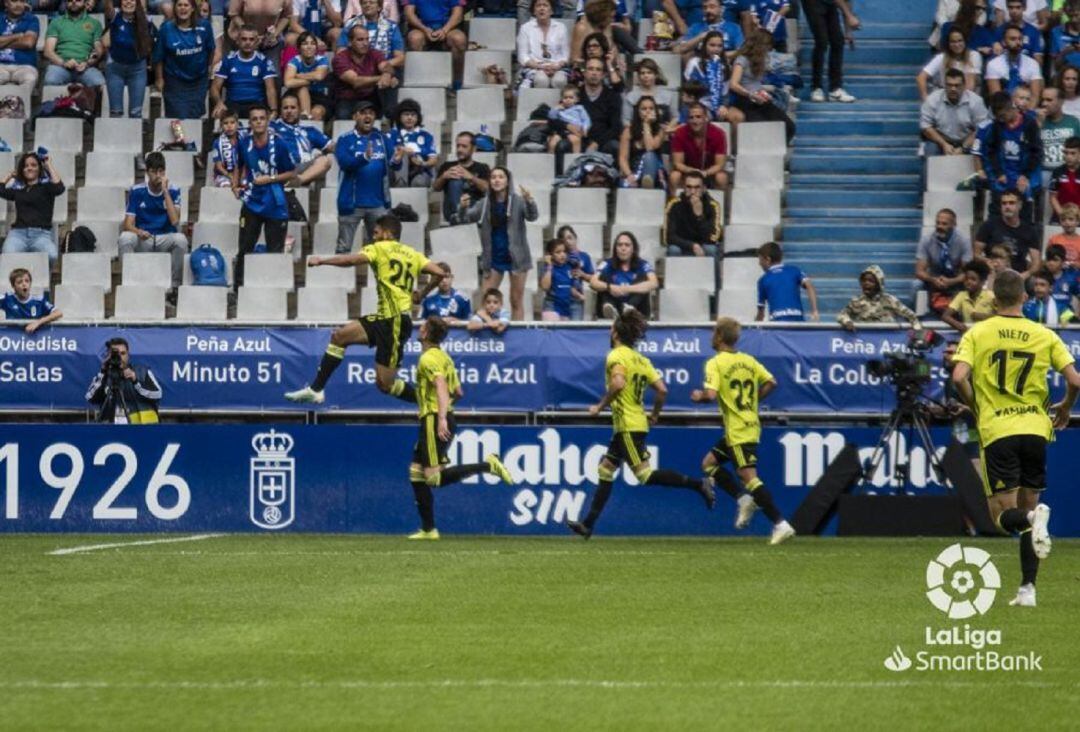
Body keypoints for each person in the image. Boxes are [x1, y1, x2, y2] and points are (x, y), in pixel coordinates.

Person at [951, 269, 1080, 608]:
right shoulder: (1044, 334)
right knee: (1029, 509)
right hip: (1036, 430)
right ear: (1025, 297)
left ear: (993, 300)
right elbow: (1076, 380)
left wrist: (975, 404)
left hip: (999, 431)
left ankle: (1034, 523)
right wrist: (1065, 407)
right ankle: (1027, 590)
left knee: (1004, 515)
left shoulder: (980, 332)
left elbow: (959, 375)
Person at [567, 309, 716, 539]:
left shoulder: (616, 356)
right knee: (605, 470)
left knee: (644, 475)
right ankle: (588, 525)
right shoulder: (641, 359)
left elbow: (617, 384)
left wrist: (599, 406)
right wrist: (654, 415)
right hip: (633, 424)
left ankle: (699, 485)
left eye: (610, 327)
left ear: (616, 332)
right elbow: (662, 390)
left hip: (627, 425)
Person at [286, 214, 448, 402]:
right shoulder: (413, 253)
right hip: (384, 319)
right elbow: (440, 272)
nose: (374, 236)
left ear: (387, 233)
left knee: (385, 385)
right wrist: (421, 293)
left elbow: (351, 261)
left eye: (376, 232)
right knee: (339, 336)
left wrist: (322, 261)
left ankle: (431, 401)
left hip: (395, 322)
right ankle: (316, 390)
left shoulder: (379, 248)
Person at [406, 316, 514, 540]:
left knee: (433, 478)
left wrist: (441, 416)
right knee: (416, 472)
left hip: (434, 419)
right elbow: (459, 391)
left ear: (426, 334)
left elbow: (441, 385)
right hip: (440, 416)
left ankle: (488, 465)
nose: (419, 328)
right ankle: (429, 529)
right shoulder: (444, 357)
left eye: (423, 326)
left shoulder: (428, 359)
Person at [690, 317, 795, 544]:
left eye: (713, 332)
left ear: (719, 336)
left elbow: (710, 394)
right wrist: (752, 401)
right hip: (747, 423)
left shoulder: (715, 363)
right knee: (708, 464)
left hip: (739, 429)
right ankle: (743, 499)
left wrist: (699, 396)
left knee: (748, 477)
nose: (711, 336)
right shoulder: (748, 360)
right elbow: (772, 382)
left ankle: (779, 523)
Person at [452, 167, 538, 321]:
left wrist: (530, 201)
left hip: (517, 258)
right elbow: (465, 219)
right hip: (493, 259)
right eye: (493, 177)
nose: (497, 180)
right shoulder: (484, 203)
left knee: (516, 300)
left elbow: (532, 217)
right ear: (490, 181)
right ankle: (487, 338)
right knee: (486, 300)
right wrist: (462, 208)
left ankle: (517, 338)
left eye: (501, 177)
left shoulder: (518, 201)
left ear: (507, 181)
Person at [233, 105, 298, 287]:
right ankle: (238, 292)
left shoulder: (279, 144)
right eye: (255, 119)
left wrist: (270, 179)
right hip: (252, 202)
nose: (259, 122)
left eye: (262, 118)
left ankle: (272, 292)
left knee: (274, 254)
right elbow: (239, 164)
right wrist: (235, 185)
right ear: (250, 123)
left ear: (267, 120)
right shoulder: (244, 143)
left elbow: (291, 173)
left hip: (275, 204)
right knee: (244, 250)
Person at [119, 152, 188, 293]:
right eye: (153, 172)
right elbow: (127, 224)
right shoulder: (137, 191)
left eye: (161, 171)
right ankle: (129, 282)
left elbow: (175, 221)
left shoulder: (174, 190)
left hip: (165, 237)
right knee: (125, 238)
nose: (158, 175)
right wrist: (139, 232)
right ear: (147, 172)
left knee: (181, 240)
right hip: (145, 238)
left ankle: (175, 287)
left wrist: (165, 192)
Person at [335, 100, 392, 252]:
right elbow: (344, 163)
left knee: (381, 250)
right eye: (363, 113)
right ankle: (342, 276)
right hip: (351, 204)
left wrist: (399, 159)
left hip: (378, 204)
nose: (368, 116)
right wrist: (364, 158)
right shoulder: (345, 139)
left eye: (371, 113)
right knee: (343, 248)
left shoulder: (382, 138)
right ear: (355, 116)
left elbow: (392, 163)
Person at [981, 91, 1043, 221]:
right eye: (998, 117)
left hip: (1023, 173)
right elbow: (991, 152)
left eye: (1003, 115)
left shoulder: (1029, 124)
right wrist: (998, 173)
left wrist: (1025, 175)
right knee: (997, 208)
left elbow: (1037, 152)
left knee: (1024, 202)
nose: (1001, 119)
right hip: (1004, 174)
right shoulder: (997, 126)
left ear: (1011, 107)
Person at [728, 29, 795, 142]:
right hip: (746, 100)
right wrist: (751, 95)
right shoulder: (742, 60)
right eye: (767, 46)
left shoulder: (761, 61)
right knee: (760, 126)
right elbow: (733, 84)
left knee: (788, 126)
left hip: (760, 98)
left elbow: (757, 83)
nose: (769, 50)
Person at [154, 0, 216, 118]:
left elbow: (211, 49)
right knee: (178, 117)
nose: (183, 8)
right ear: (175, 8)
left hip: (198, 81)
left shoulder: (205, 26)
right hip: (175, 81)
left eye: (186, 5)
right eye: (180, 5)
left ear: (192, 8)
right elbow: (159, 57)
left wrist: (208, 68)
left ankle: (194, 138)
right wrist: (159, 78)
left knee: (195, 116)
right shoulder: (166, 29)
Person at [0, 152, 65, 264]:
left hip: (41, 235)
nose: (29, 168)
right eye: (26, 166)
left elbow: (59, 188)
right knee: (7, 255)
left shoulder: (46, 187)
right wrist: (9, 175)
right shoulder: (18, 190)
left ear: (39, 168)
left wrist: (48, 165)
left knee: (52, 256)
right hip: (18, 234)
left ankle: (40, 279)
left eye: (33, 165)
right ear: (22, 170)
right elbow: (1, 190)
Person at [86, 337, 163, 424]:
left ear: (128, 355)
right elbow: (90, 397)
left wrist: (135, 382)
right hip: (114, 432)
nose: (119, 357)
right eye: (115, 354)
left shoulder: (142, 371)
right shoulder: (104, 375)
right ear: (108, 355)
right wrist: (103, 372)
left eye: (123, 353)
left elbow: (158, 394)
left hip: (143, 429)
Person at [920, 68, 989, 162]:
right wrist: (943, 144)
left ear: (964, 86)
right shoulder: (932, 100)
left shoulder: (976, 101)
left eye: (957, 85)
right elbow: (925, 127)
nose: (953, 89)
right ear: (944, 85)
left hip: (967, 141)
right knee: (930, 149)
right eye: (949, 85)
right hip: (941, 140)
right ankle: (929, 177)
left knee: (981, 146)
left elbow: (982, 128)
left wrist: (963, 148)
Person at [212, 25, 279, 119]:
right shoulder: (228, 60)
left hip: (257, 104)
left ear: (256, 42)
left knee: (264, 116)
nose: (248, 42)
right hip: (233, 104)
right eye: (244, 39)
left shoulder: (264, 61)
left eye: (251, 39)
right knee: (218, 113)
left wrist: (274, 111)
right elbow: (215, 87)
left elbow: (270, 89)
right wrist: (219, 103)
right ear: (238, 41)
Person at [915, 207, 973, 314]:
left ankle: (966, 316)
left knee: (971, 283)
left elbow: (968, 272)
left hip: (956, 280)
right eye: (937, 223)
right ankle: (913, 320)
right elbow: (919, 271)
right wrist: (933, 280)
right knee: (916, 285)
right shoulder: (926, 240)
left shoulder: (964, 241)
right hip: (933, 279)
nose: (939, 226)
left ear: (953, 224)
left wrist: (952, 281)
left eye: (944, 224)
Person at [974, 188, 1042, 279]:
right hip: (992, 272)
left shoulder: (1030, 230)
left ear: (1020, 205)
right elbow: (976, 255)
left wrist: (1024, 275)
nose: (1007, 206)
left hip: (1018, 275)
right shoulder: (989, 225)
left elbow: (1036, 264)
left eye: (1011, 203)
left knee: (1034, 283)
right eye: (1004, 203)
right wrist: (989, 262)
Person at [332, 24, 396, 120]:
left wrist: (387, 74)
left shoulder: (374, 53)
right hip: (347, 99)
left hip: (370, 97)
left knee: (390, 85)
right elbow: (356, 82)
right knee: (343, 114)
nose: (365, 43)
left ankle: (391, 120)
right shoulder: (340, 58)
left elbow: (386, 66)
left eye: (367, 39)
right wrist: (381, 77)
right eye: (360, 40)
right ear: (350, 42)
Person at [590, 230, 659, 318]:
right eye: (620, 245)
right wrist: (610, 287)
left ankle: (629, 307)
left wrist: (627, 289)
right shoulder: (606, 263)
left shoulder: (643, 264)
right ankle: (609, 308)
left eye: (627, 245)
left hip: (636, 310)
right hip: (615, 306)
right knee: (602, 278)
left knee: (644, 279)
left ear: (633, 249)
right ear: (615, 249)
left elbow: (654, 283)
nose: (623, 248)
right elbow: (593, 282)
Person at [102, 0, 153, 118]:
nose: (129, 2)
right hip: (115, 68)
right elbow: (108, 6)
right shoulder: (115, 15)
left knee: (136, 113)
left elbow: (150, 44)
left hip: (138, 70)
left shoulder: (146, 20)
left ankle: (134, 136)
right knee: (116, 113)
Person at [803, 0, 859, 103]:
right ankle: (816, 88)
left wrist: (848, 32)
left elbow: (847, 3)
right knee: (821, 41)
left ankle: (835, 89)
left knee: (838, 41)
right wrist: (850, 17)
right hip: (812, 3)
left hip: (830, 4)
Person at [273, 93, 334, 187]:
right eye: (285, 108)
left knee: (325, 160)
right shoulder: (272, 127)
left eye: (293, 107)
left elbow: (332, 147)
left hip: (303, 168)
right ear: (280, 111)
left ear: (299, 110)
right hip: (281, 167)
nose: (289, 111)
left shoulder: (310, 130)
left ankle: (298, 181)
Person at [402, 0, 467, 86]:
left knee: (459, 39)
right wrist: (425, 29)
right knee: (415, 39)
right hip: (421, 28)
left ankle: (456, 82)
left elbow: (458, 14)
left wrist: (444, 30)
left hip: (447, 28)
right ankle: (418, 81)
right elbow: (409, 14)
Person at [42, 0, 106, 88]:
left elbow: (99, 51)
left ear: (85, 2)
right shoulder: (56, 22)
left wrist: (87, 63)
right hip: (61, 67)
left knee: (99, 83)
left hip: (86, 68)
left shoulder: (95, 23)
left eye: (78, 0)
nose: (74, 1)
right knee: (51, 80)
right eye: (70, 0)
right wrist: (64, 63)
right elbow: (48, 51)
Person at [837, 265, 920, 331]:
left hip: (887, 339)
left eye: (871, 281)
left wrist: (917, 329)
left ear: (879, 284)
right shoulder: (856, 301)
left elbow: (911, 315)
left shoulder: (889, 300)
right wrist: (847, 322)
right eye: (864, 280)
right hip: (863, 342)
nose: (866, 283)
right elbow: (842, 315)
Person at [433, 131, 490, 224]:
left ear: (473, 149)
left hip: (472, 208)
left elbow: (487, 189)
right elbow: (436, 188)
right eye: (458, 146)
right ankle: (459, 215)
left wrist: (471, 177)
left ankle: (460, 216)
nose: (460, 149)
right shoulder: (447, 166)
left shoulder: (482, 167)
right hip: (451, 210)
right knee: (455, 181)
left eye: (464, 146)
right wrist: (444, 177)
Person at [669, 102, 729, 190]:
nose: (695, 121)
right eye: (691, 117)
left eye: (698, 117)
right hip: (687, 173)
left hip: (709, 174)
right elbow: (677, 163)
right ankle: (674, 203)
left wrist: (705, 173)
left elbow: (720, 165)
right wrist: (692, 171)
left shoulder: (718, 134)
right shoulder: (680, 133)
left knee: (721, 177)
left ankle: (719, 203)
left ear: (706, 118)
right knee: (674, 176)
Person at [754, 241, 818, 322]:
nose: (759, 263)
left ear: (767, 259)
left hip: (778, 325)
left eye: (760, 260)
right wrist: (814, 311)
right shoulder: (794, 270)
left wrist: (753, 329)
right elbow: (809, 286)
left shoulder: (763, 280)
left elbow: (761, 314)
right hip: (797, 322)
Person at [663, 170, 720, 255]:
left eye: (697, 187)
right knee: (673, 249)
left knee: (711, 249)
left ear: (704, 188)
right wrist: (692, 245)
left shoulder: (713, 205)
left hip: (703, 245)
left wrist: (700, 217)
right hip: (682, 245)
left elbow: (713, 238)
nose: (693, 191)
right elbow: (669, 237)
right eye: (689, 187)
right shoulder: (673, 205)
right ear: (684, 187)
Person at [683, 31, 736, 123]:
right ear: (704, 45)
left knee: (737, 117)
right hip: (698, 104)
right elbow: (687, 91)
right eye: (712, 45)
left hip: (718, 105)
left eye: (719, 46)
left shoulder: (725, 65)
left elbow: (725, 93)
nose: (716, 49)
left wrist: (723, 106)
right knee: (702, 117)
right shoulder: (694, 63)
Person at [517, 0, 569, 90]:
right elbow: (522, 56)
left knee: (559, 80)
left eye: (545, 5)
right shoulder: (525, 28)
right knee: (541, 79)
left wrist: (557, 65)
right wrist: (539, 66)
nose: (542, 8)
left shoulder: (561, 27)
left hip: (556, 66)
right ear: (534, 11)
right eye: (538, 6)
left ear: (551, 11)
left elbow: (566, 55)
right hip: (534, 66)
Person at [917, 27, 982, 99]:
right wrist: (926, 98)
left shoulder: (973, 56)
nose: (957, 45)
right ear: (948, 44)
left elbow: (970, 85)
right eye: (953, 41)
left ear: (965, 42)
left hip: (967, 98)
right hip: (945, 97)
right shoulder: (941, 57)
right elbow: (921, 77)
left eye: (960, 41)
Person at [388, 98, 439, 188]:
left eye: (413, 115)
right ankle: (401, 186)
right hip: (396, 172)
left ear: (418, 117)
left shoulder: (426, 135)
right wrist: (404, 151)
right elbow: (387, 156)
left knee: (419, 182)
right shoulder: (392, 134)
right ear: (399, 117)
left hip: (420, 171)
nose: (410, 118)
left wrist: (422, 163)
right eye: (406, 114)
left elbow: (433, 160)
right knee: (402, 154)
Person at [226, 0, 292, 69]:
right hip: (244, 40)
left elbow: (286, 16)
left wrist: (275, 34)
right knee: (241, 73)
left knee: (272, 73)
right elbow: (234, 14)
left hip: (269, 41)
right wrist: (249, 32)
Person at [617, 95, 665, 188]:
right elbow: (623, 158)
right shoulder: (628, 131)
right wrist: (629, 175)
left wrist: (646, 124)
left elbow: (650, 147)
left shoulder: (660, 130)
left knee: (649, 155)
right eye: (644, 109)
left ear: (656, 111)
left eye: (651, 108)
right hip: (633, 171)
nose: (648, 111)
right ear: (638, 112)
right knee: (624, 184)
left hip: (655, 173)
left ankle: (647, 183)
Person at [578, 57, 624, 155]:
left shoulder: (612, 96)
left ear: (603, 75)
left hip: (604, 142)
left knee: (615, 146)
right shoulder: (576, 94)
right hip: (579, 140)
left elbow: (616, 127)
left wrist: (596, 143)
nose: (594, 73)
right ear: (584, 73)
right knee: (562, 145)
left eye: (598, 69)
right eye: (590, 69)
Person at [986, 24, 1043, 98]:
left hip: (1026, 106)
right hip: (1002, 107)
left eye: (1020, 39)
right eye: (1013, 39)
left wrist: (1029, 110)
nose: (1018, 42)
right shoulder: (993, 64)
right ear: (1003, 42)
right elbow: (996, 98)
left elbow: (1035, 96)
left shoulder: (1033, 63)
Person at [284, 30, 331, 119]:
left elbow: (319, 76)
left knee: (316, 112)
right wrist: (311, 80)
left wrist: (297, 76)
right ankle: (306, 116)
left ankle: (307, 118)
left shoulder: (322, 59)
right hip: (296, 95)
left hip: (318, 96)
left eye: (312, 44)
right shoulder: (294, 61)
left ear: (316, 47)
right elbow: (288, 83)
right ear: (299, 48)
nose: (309, 47)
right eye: (305, 44)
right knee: (302, 88)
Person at [672, 0, 743, 60]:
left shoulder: (734, 28)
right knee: (687, 54)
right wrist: (701, 37)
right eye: (705, 7)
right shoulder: (695, 27)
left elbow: (741, 51)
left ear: (721, 9)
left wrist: (718, 55)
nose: (708, 10)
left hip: (725, 63)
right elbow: (677, 50)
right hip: (700, 65)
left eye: (712, 7)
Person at [1038, 87, 1080, 187]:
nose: (1044, 104)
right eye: (1043, 100)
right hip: (1044, 172)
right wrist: (1038, 124)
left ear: (1061, 101)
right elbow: (1030, 147)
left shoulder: (1073, 122)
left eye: (1049, 100)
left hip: (1069, 171)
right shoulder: (1035, 122)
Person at [1, 267, 62, 334]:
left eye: (27, 281)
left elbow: (58, 313)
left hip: (33, 340)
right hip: (12, 339)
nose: (24, 284)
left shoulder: (39, 301)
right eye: (19, 282)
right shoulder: (8, 298)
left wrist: (38, 323)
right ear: (13, 286)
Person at [941, 259, 995, 331]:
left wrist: (982, 316)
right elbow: (945, 316)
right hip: (968, 335)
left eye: (973, 279)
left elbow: (1001, 316)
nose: (968, 282)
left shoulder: (990, 296)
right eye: (966, 279)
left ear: (982, 281)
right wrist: (958, 325)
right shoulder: (961, 295)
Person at [541, 237, 586, 321]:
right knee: (551, 333)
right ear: (550, 254)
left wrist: (579, 296)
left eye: (564, 251)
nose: (562, 255)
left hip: (570, 303)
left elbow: (570, 287)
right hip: (552, 304)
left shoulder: (570, 267)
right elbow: (545, 287)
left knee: (573, 332)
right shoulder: (546, 268)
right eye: (558, 252)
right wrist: (550, 266)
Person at [622, 57, 677, 125]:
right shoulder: (631, 97)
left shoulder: (668, 95)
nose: (646, 76)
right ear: (638, 76)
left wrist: (668, 128)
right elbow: (626, 120)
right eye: (642, 73)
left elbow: (675, 117)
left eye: (649, 73)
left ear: (656, 75)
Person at [0, 0, 41, 89]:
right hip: (1, 66)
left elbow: (28, 43)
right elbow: (24, 41)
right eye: (14, 1)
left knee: (30, 78)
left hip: (24, 66)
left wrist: (3, 42)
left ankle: (23, 103)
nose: (18, 5)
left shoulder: (32, 19)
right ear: (6, 3)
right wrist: (17, 35)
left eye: (21, 1)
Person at [548, 85, 591, 154]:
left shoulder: (579, 108)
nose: (568, 100)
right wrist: (555, 109)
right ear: (562, 99)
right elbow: (551, 117)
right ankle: (550, 156)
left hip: (575, 131)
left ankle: (575, 157)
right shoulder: (560, 109)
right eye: (565, 97)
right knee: (553, 142)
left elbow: (586, 120)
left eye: (571, 98)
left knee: (575, 141)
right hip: (561, 131)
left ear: (577, 99)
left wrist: (585, 129)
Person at [1048, 136, 1080, 221]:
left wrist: (1076, 218)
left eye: (1073, 153)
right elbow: (1052, 197)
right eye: (1066, 153)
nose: (1068, 156)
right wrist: (1063, 216)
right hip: (1060, 216)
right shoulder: (1057, 172)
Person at [211, 111, 244, 187]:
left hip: (242, 174)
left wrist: (240, 177)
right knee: (227, 186)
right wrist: (230, 176)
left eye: (232, 123)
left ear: (237, 124)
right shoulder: (217, 142)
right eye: (225, 123)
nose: (229, 126)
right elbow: (219, 166)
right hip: (224, 175)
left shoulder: (244, 139)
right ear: (221, 125)